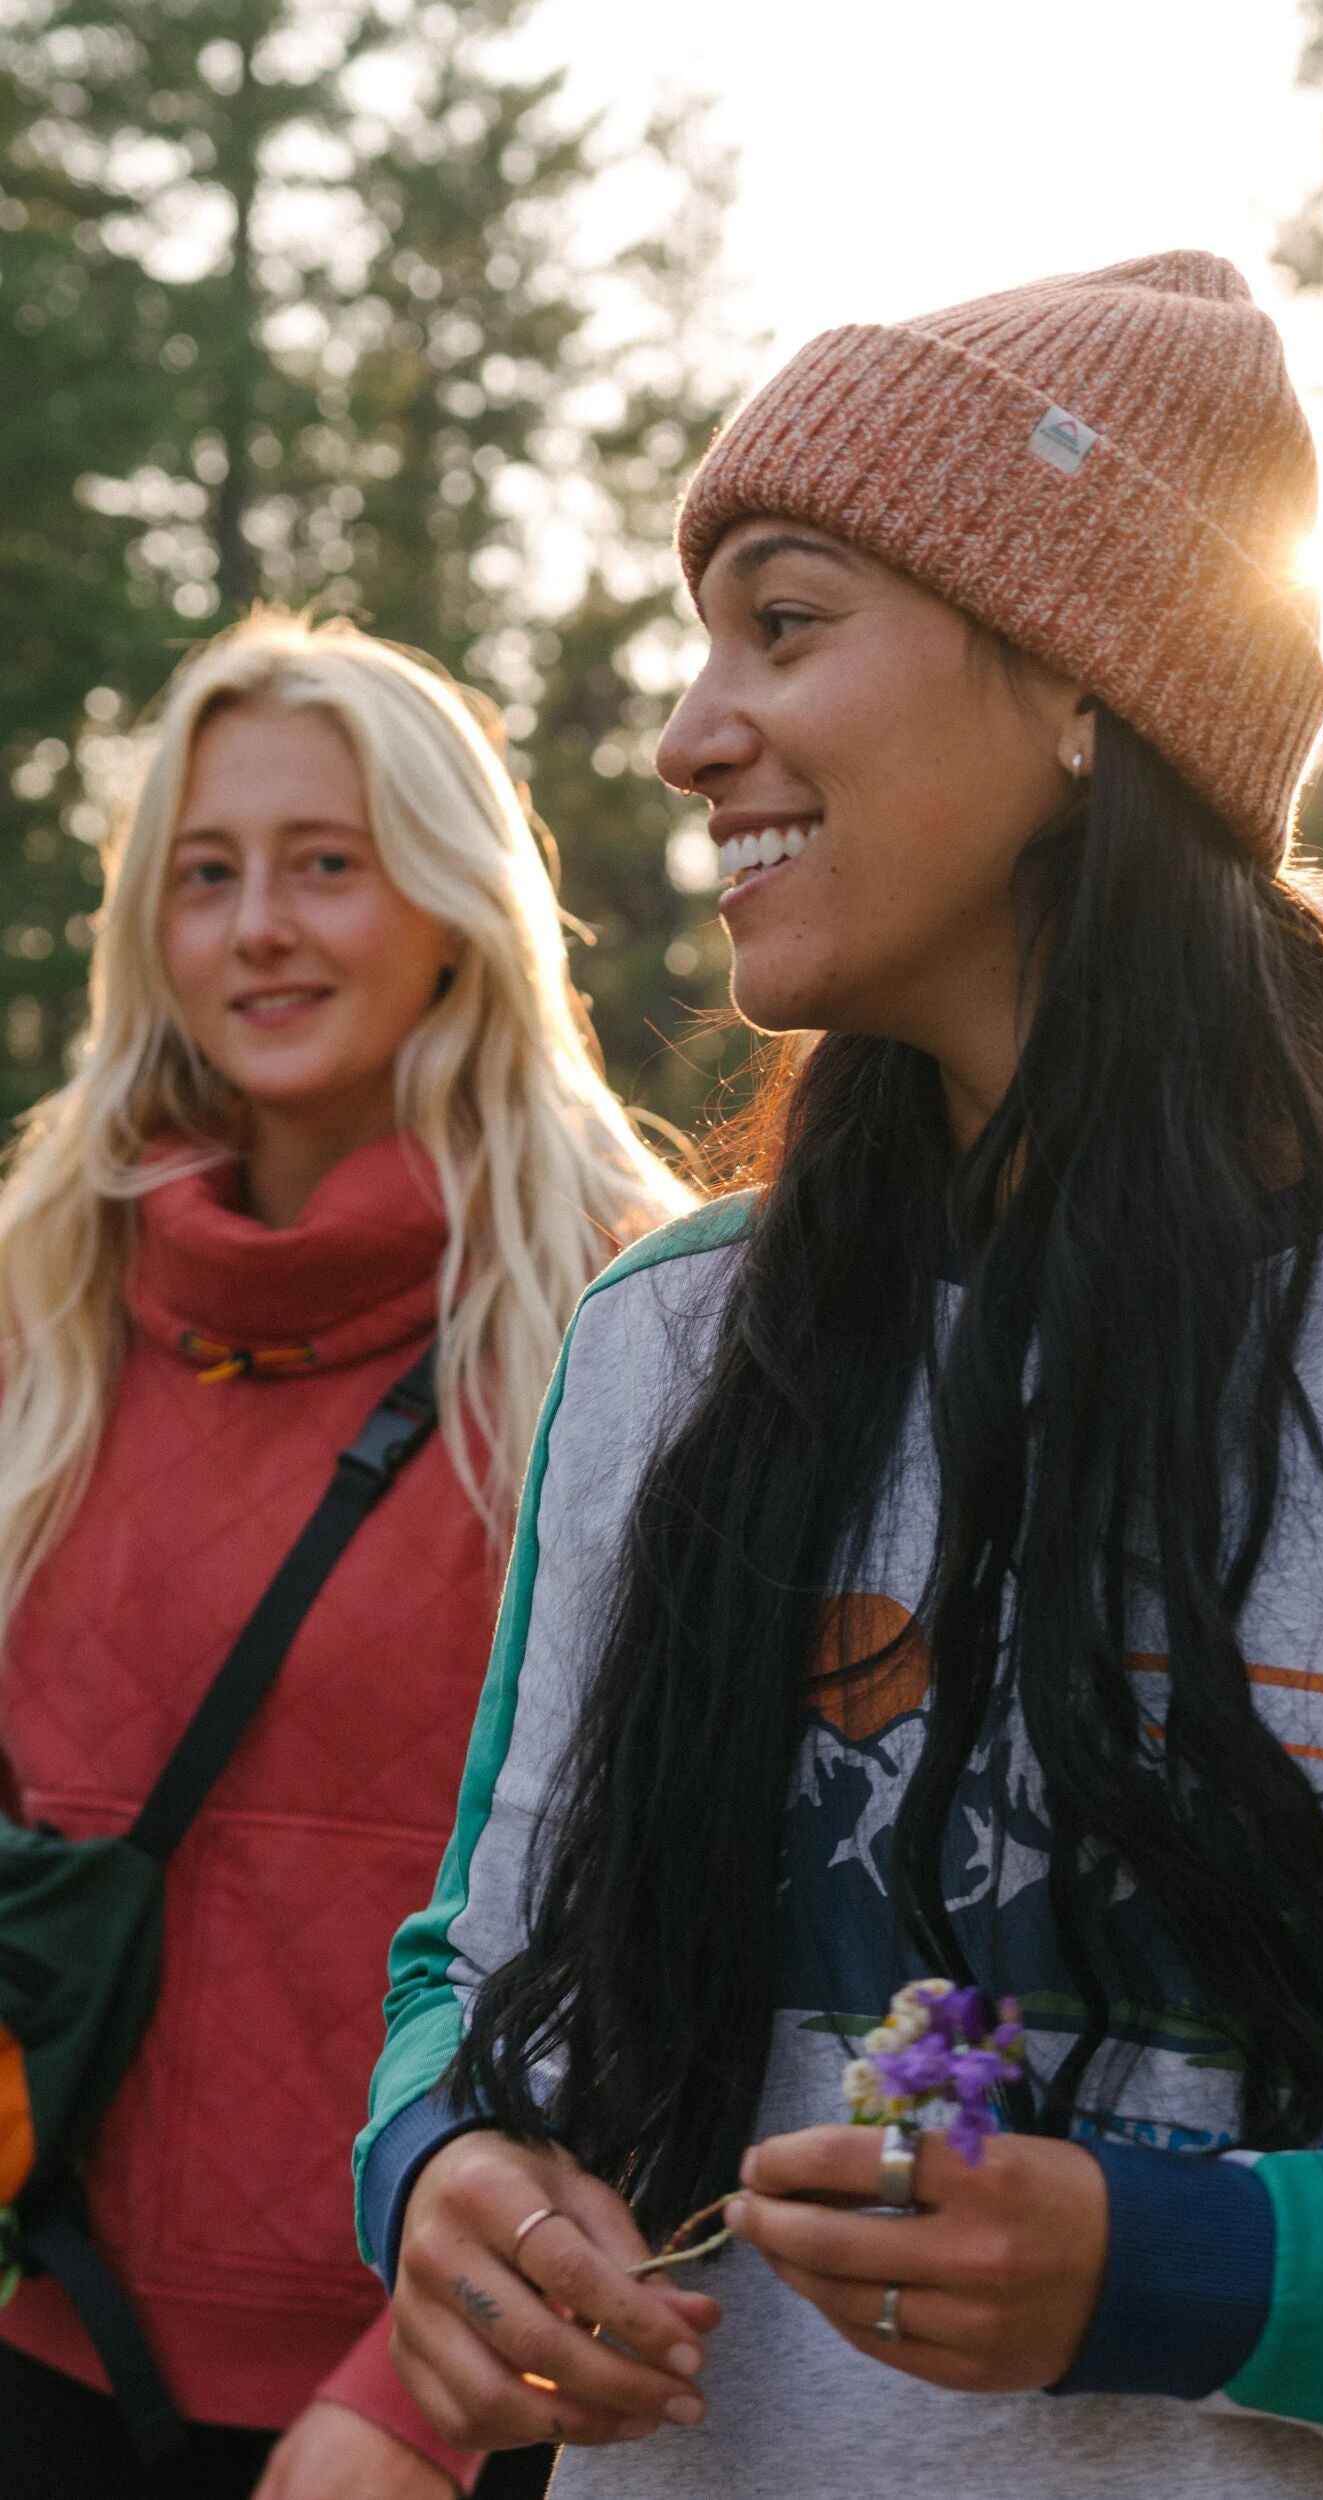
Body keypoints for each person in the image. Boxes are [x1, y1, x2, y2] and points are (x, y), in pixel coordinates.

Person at [359, 255, 1323, 2499]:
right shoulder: (669, 1336)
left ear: (1088, 686)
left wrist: (1188, 2267)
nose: (692, 733)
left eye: (783, 624)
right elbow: (476, 1960)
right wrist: (442, 2168)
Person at [0, 613, 691, 2498]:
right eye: (204, 874)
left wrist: (422, 2385)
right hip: (45, 2339)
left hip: (436, 2387)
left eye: (325, 863)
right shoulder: (46, 1284)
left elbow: (676, 1894)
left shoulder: (632, 1312)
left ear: (456, 903)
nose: (257, 929)